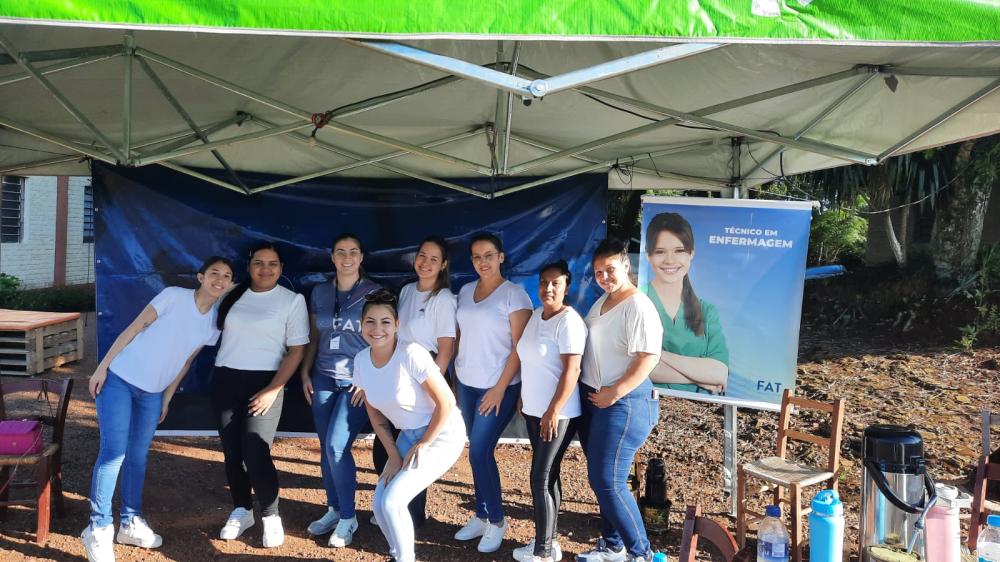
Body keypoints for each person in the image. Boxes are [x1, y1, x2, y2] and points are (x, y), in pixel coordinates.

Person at [81, 257, 234, 562]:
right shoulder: (173, 296)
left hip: (151, 394)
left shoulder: (214, 324)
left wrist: (165, 397)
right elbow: (133, 328)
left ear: (230, 284)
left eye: (227, 276)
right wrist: (102, 368)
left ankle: (130, 522)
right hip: (120, 381)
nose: (220, 279)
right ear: (201, 276)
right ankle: (97, 528)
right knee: (113, 454)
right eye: (214, 273)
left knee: (137, 457)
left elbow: (187, 361)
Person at [355, 289, 466, 562]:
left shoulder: (412, 353)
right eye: (370, 321)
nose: (377, 328)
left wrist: (425, 443)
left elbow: (447, 403)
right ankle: (398, 554)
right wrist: (394, 455)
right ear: (361, 325)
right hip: (409, 434)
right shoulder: (360, 361)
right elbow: (376, 415)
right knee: (379, 505)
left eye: (385, 322)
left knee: (393, 502)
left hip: (441, 433)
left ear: (397, 325)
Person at [213, 242, 310, 547]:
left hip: (267, 383)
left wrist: (273, 389)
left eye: (273, 264)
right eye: (259, 263)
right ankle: (242, 510)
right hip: (226, 379)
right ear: (249, 265)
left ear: (281, 268)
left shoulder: (292, 301)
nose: (265, 269)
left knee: (255, 451)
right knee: (232, 452)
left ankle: (270, 515)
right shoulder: (231, 294)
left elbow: (296, 351)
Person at [576, 238, 663, 562]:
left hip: (624, 401)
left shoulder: (638, 305)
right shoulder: (601, 302)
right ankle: (612, 545)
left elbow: (648, 356)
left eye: (610, 269)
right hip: (595, 399)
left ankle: (641, 553)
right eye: (598, 272)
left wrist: (617, 390)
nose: (604, 276)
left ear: (626, 266)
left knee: (607, 479)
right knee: (603, 479)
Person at [300, 233, 381, 548]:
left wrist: (369, 379)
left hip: (356, 381)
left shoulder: (375, 292)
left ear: (361, 257)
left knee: (336, 447)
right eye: (340, 252)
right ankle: (334, 508)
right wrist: (305, 372)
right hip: (322, 377)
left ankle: (349, 516)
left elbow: (383, 339)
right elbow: (314, 337)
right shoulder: (320, 292)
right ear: (332, 257)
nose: (347, 258)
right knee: (325, 447)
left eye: (353, 252)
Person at [453, 232, 532, 553]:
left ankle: (498, 521)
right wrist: (457, 383)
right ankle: (481, 514)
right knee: (476, 451)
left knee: (479, 452)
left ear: (501, 257)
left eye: (488, 255)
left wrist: (500, 389)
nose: (482, 262)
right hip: (466, 385)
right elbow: (460, 338)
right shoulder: (465, 290)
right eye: (476, 257)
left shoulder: (515, 295)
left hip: (497, 387)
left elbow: (520, 348)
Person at [513, 260, 587, 562]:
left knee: (540, 478)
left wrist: (553, 410)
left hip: (558, 414)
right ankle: (550, 542)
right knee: (549, 475)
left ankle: (542, 551)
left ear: (566, 286)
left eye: (556, 283)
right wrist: (522, 396)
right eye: (544, 282)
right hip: (533, 410)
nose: (549, 288)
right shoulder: (534, 316)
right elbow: (528, 360)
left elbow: (573, 369)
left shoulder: (569, 322)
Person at [383, 235, 458, 527]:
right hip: (400, 374)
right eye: (422, 256)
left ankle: (412, 516)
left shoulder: (444, 299)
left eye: (434, 259)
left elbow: (446, 350)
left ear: (444, 265)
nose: (425, 263)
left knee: (418, 448)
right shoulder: (405, 291)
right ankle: (392, 506)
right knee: (391, 444)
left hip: (427, 377)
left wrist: (430, 388)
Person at [642, 212, 729, 394]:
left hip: (699, 411)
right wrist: (702, 377)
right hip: (648, 405)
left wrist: (659, 355)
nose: (670, 260)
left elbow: (720, 373)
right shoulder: (636, 300)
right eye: (660, 252)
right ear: (648, 255)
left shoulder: (706, 311)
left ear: (692, 253)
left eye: (679, 250)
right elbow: (632, 368)